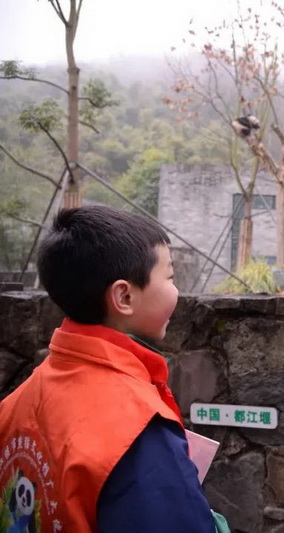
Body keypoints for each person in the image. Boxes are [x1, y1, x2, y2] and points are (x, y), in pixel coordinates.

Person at [0, 206, 227, 532]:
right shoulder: (138, 429)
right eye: (170, 277)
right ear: (124, 296)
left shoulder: (15, 403)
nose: (175, 290)